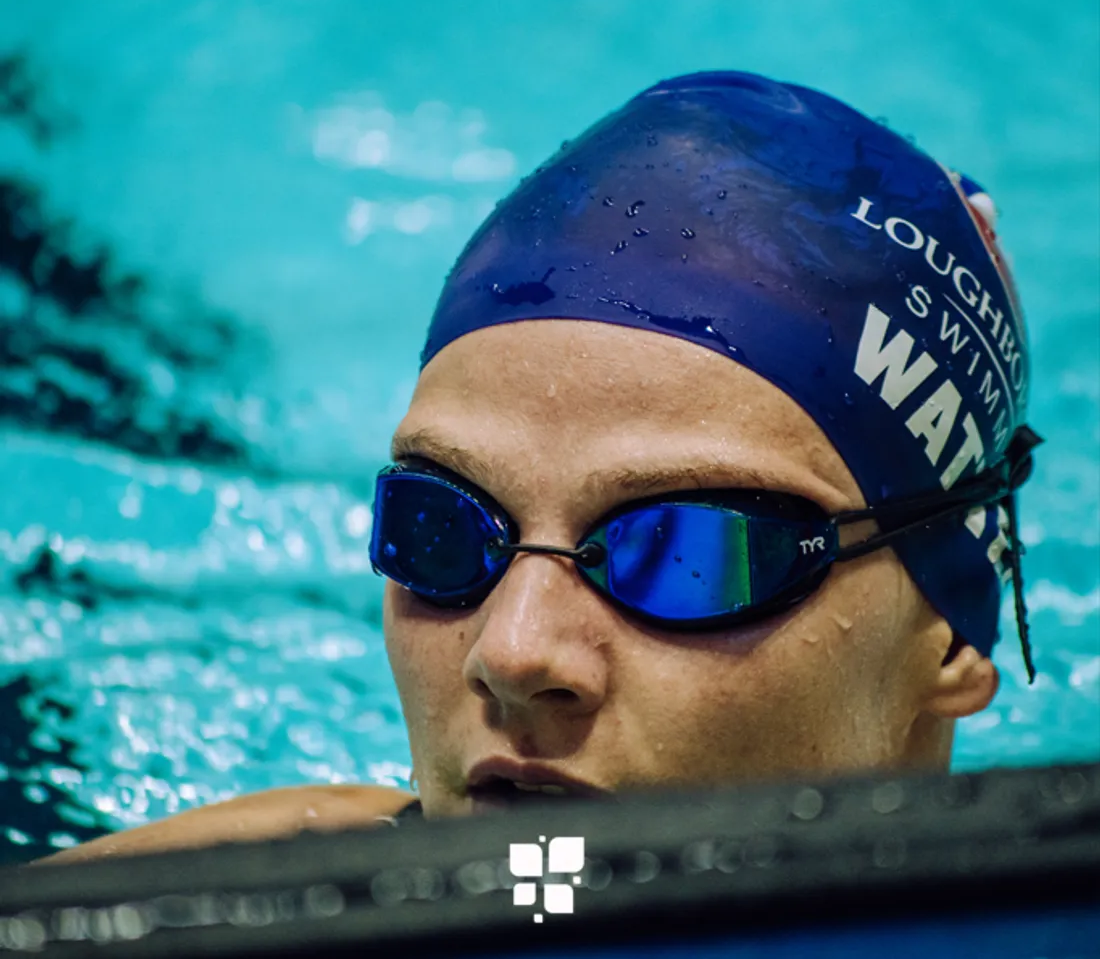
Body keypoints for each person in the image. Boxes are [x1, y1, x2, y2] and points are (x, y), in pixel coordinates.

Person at [39, 70, 1041, 863]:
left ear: (950, 633)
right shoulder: (220, 904)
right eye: (441, 530)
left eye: (689, 553)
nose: (511, 654)